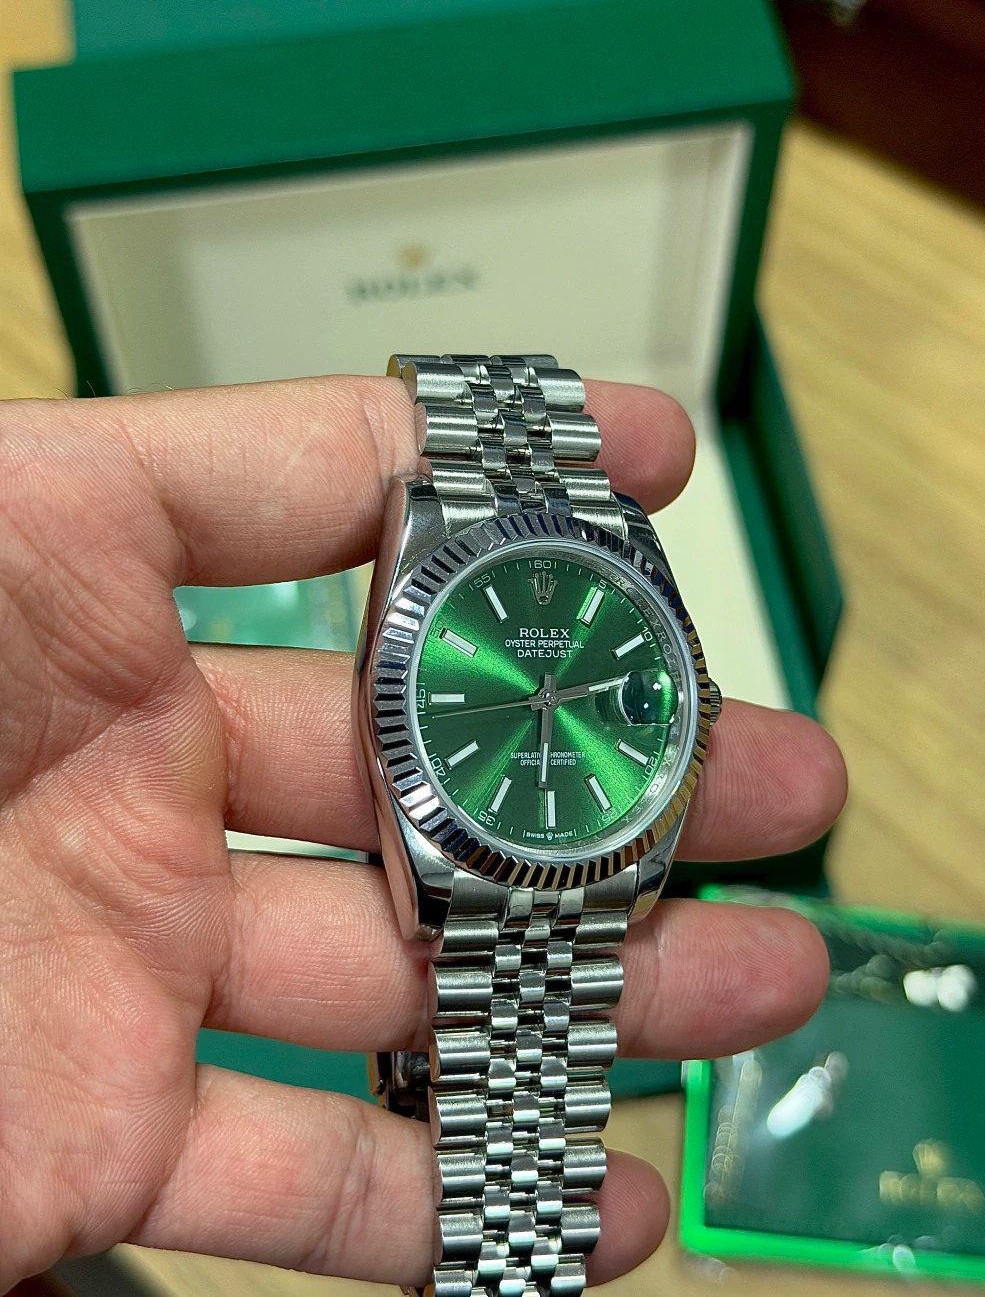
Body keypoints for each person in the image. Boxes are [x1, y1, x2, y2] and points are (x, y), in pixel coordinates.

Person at [0, 373, 846, 1289]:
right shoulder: (464, 564)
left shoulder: (617, 577)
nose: (546, 697)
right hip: (506, 849)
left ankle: (488, 1208)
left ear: (694, 703)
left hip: (590, 853)